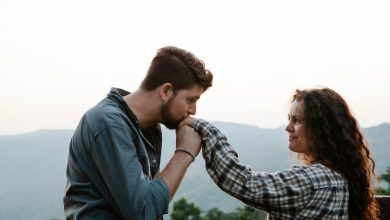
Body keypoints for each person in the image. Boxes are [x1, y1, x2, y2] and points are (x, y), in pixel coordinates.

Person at [180, 87, 379, 219]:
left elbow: (244, 183)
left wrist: (204, 128)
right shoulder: (337, 176)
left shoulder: (316, 180)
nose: (288, 128)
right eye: (289, 119)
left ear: (321, 129)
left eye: (297, 121)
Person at [63, 46, 213, 220]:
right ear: (165, 91)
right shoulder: (109, 124)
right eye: (191, 100)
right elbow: (144, 212)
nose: (193, 110)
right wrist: (184, 152)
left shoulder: (150, 127)